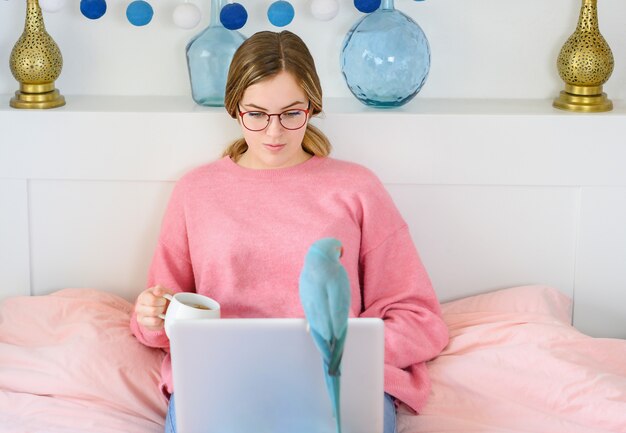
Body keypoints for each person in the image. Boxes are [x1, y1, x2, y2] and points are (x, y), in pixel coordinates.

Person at [131, 30, 449, 433]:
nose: (274, 132)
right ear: (235, 109)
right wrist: (152, 315)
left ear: (312, 107)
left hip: (335, 381)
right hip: (224, 380)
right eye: (257, 114)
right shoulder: (195, 192)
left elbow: (420, 318)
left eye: (291, 113)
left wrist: (342, 353)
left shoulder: (356, 188)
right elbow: (163, 316)